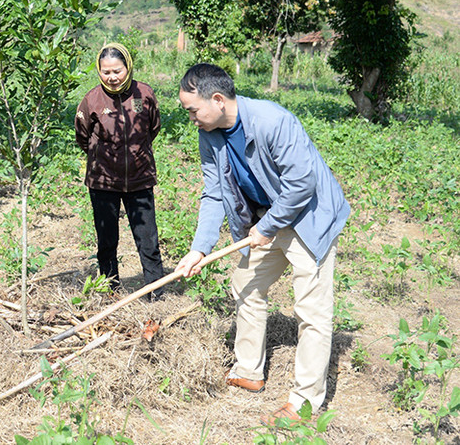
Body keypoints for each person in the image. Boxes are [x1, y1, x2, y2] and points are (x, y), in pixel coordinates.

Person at [174, 63, 350, 424]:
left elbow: (302, 183)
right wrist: (199, 248)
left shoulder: (272, 121)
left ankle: (305, 401)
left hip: (308, 217)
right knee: (245, 286)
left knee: (312, 311)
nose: (190, 117)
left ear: (218, 99)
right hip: (267, 219)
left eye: (192, 109)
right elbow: (213, 194)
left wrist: (268, 226)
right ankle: (249, 369)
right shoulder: (209, 133)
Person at [74, 43, 164, 300]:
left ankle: (155, 293)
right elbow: (82, 136)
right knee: (106, 241)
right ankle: (110, 291)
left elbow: (153, 127)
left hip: (140, 179)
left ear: (128, 68)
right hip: (103, 181)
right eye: (106, 72)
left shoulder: (144, 94)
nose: (112, 77)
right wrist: (101, 157)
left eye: (117, 71)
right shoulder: (91, 100)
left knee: (148, 241)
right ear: (99, 72)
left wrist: (136, 153)